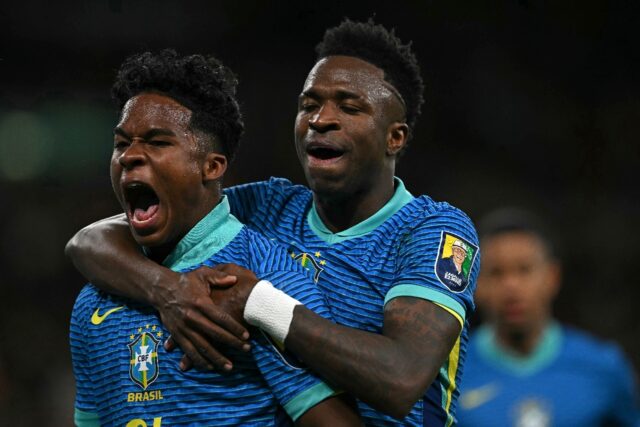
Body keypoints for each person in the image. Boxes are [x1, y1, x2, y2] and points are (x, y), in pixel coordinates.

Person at [67, 20, 480, 426]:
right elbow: (90, 241)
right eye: (309, 104)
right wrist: (169, 291)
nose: (321, 119)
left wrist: (260, 303)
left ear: (396, 137)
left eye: (349, 107)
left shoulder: (433, 231)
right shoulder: (267, 205)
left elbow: (400, 379)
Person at [69, 49, 362, 426]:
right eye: (122, 143)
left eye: (157, 143)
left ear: (211, 166)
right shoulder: (94, 297)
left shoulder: (265, 277)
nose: (130, 156)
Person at [456, 208, 639, 427]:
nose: (511, 287)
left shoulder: (603, 366)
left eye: (524, 270)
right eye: (496, 273)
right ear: (476, 285)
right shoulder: (452, 374)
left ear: (552, 277)